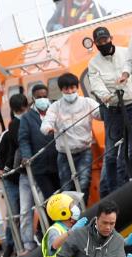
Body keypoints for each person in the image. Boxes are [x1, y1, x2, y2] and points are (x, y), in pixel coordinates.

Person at [88, 26, 132, 197]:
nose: (103, 43)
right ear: (95, 44)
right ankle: (111, 192)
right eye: (99, 41)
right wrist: (107, 96)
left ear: (110, 38)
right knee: (111, 152)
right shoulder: (93, 64)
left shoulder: (126, 53)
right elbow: (96, 85)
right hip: (112, 110)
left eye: (105, 39)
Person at [40, 73, 101, 203]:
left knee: (84, 182)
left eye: (73, 88)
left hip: (84, 151)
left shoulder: (87, 102)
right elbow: (46, 122)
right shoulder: (55, 106)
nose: (70, 91)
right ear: (61, 90)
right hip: (64, 154)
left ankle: (81, 210)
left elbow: (99, 113)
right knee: (66, 187)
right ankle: (71, 212)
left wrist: (108, 108)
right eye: (66, 89)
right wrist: (48, 129)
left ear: (77, 87)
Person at [0, 93, 35, 257]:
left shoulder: (33, 123)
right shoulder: (9, 131)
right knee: (15, 213)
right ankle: (12, 244)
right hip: (12, 178)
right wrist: (0, 168)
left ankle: (33, 238)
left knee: (32, 208)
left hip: (28, 174)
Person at [21, 84, 61, 200]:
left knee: (64, 193)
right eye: (39, 97)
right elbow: (24, 140)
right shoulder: (27, 118)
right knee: (50, 198)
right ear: (33, 98)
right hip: (40, 166)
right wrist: (26, 156)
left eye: (44, 96)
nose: (42, 99)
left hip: (59, 161)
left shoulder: (56, 111)